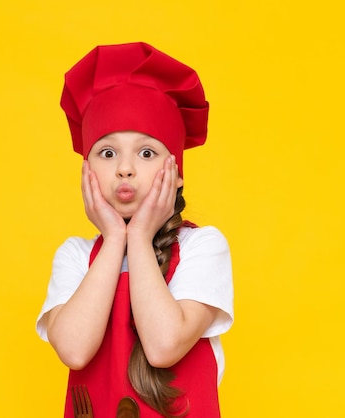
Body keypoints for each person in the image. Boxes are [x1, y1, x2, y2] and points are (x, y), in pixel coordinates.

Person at [36, 42, 234, 418]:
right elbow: (75, 350)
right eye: (107, 153)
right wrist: (114, 239)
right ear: (87, 170)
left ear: (175, 174)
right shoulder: (76, 256)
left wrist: (139, 237)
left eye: (146, 153)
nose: (125, 169)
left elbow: (163, 346)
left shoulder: (202, 248)